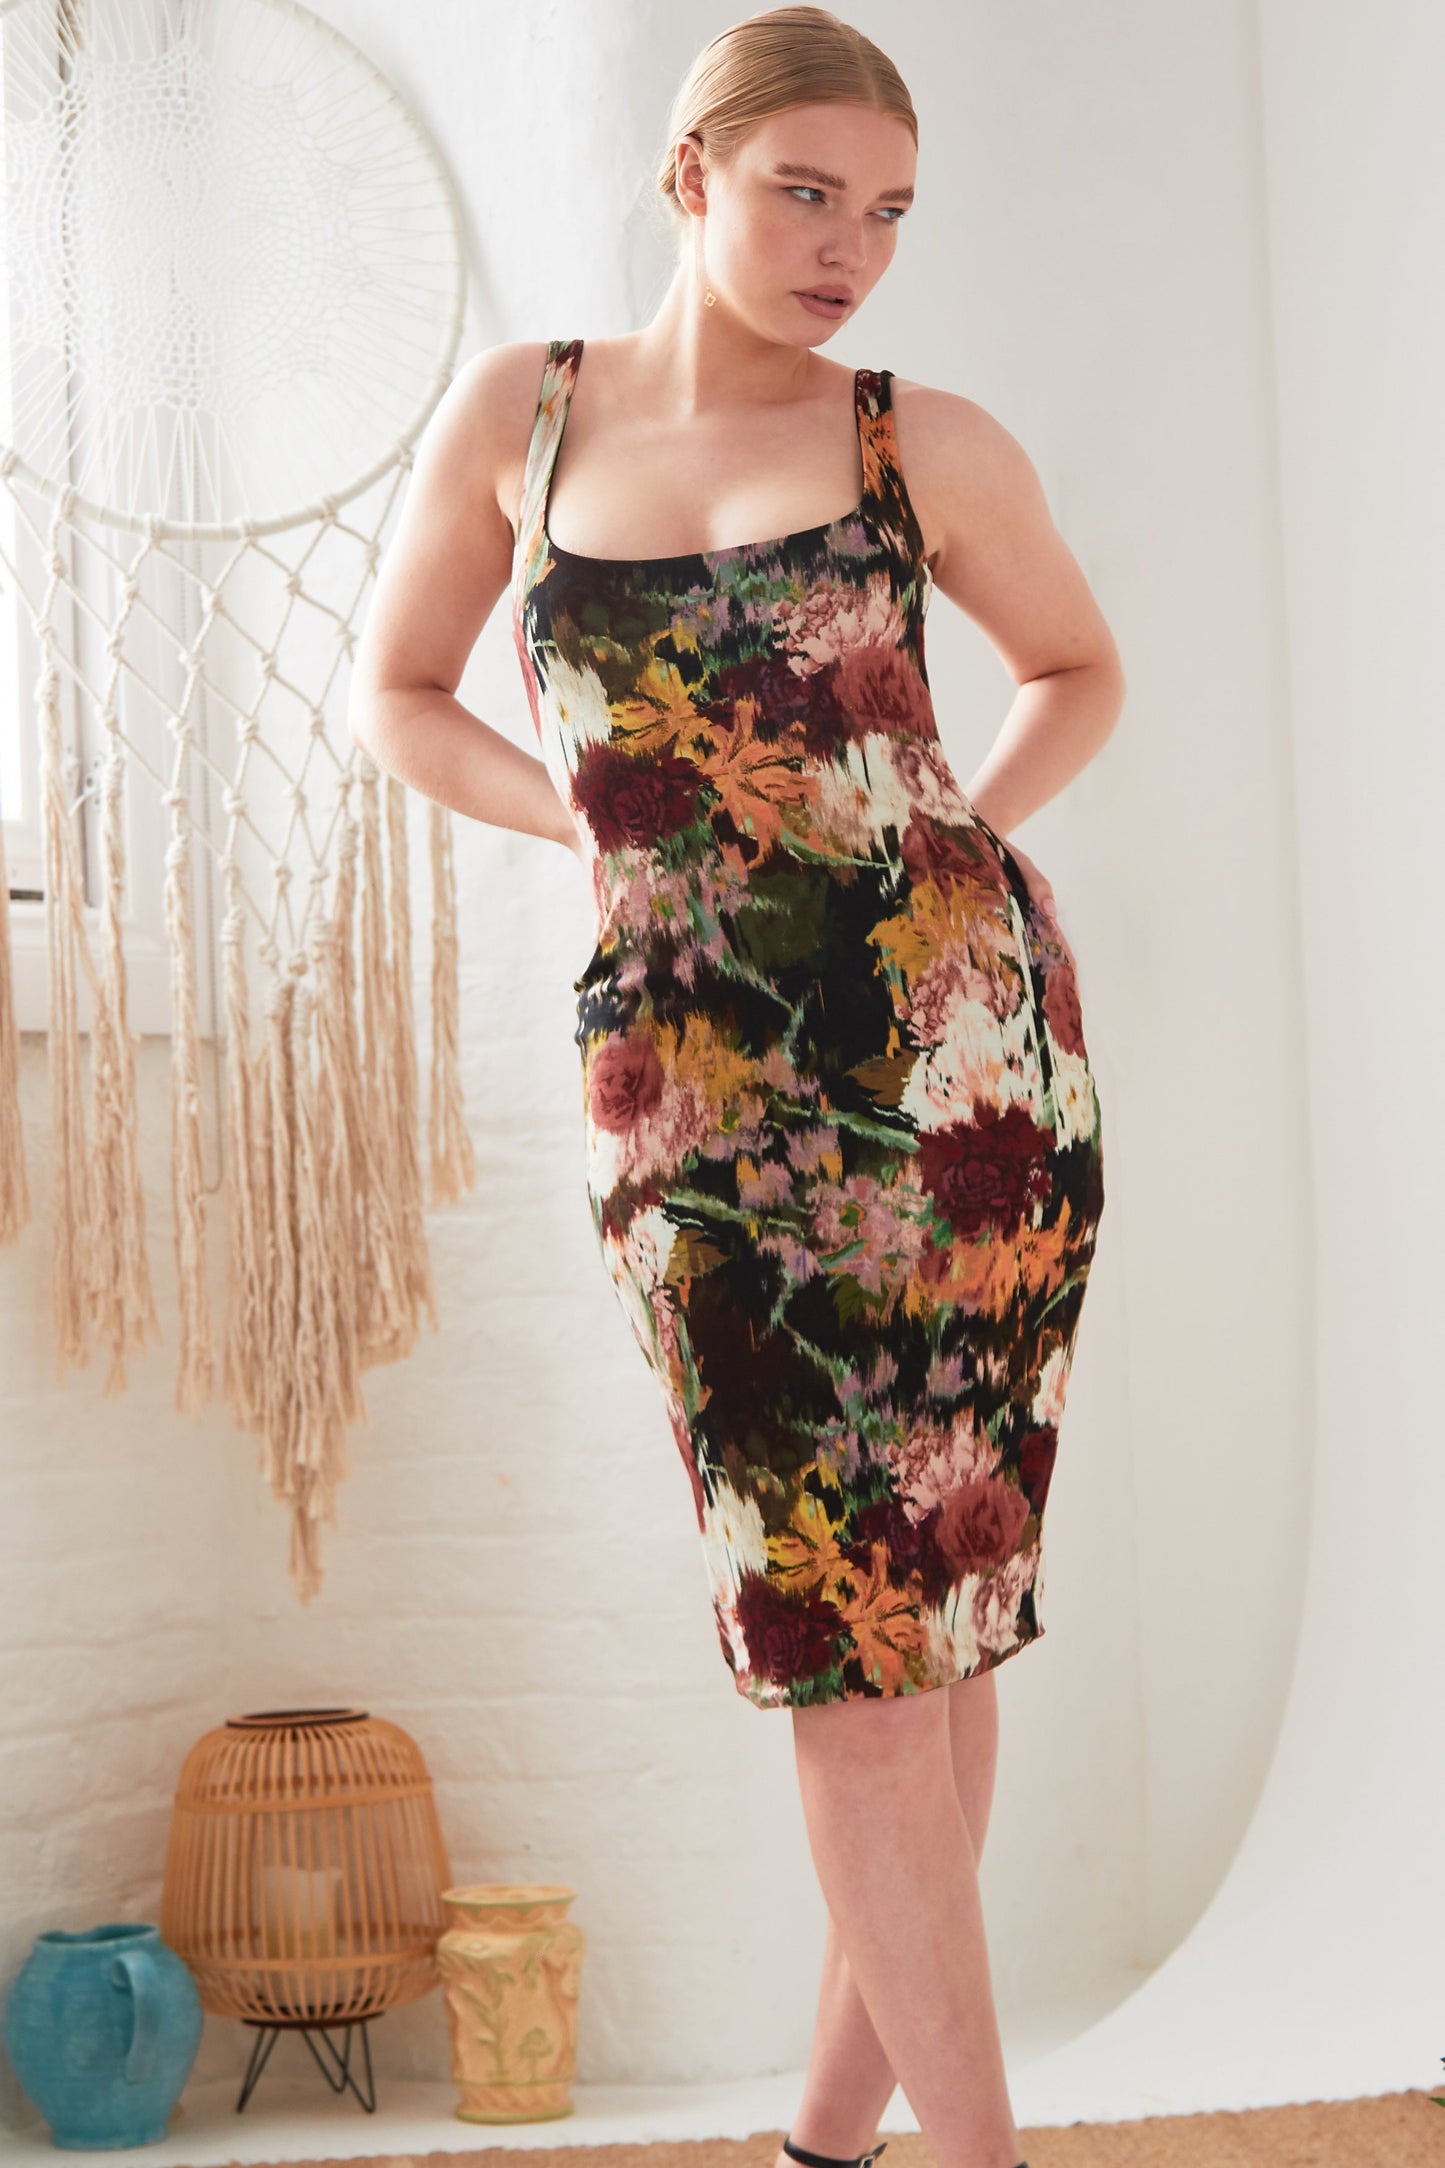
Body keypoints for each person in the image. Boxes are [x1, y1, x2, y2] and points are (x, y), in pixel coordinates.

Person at [351, 9, 1125, 2166]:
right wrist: (591, 833)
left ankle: (870, 2153)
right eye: (807, 191)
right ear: (687, 174)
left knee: (929, 1625)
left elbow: (1083, 664)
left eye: (886, 211)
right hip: (692, 1105)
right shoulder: (525, 417)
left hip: (971, 1079)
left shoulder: (921, 444)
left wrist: (964, 831)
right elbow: (400, 696)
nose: (849, 247)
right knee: (843, 1628)